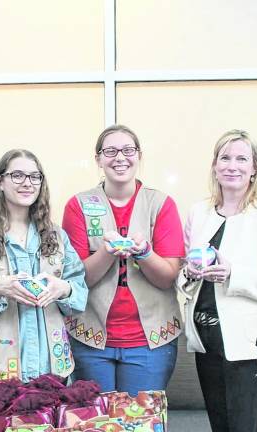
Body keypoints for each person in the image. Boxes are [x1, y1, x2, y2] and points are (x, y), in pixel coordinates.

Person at [177, 129, 257, 432]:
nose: (232, 165)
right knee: (220, 425)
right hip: (207, 340)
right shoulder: (198, 211)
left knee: (245, 427)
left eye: (242, 159)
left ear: (254, 168)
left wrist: (233, 275)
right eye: (225, 158)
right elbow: (184, 272)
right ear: (214, 166)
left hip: (250, 344)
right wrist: (188, 274)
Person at [62, 124, 184, 395]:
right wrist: (107, 252)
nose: (120, 157)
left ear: (139, 155)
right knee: (95, 422)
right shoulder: (78, 205)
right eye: (110, 151)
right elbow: (77, 279)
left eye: (128, 150)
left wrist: (145, 253)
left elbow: (167, 278)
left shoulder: (161, 204)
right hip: (90, 338)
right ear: (98, 159)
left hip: (150, 341)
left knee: (141, 422)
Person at [0, 149, 88, 389]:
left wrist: (63, 289)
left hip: (53, 368)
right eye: (17, 175)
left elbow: (80, 294)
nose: (27, 183)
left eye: (35, 177)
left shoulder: (58, 237)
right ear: (0, 182)